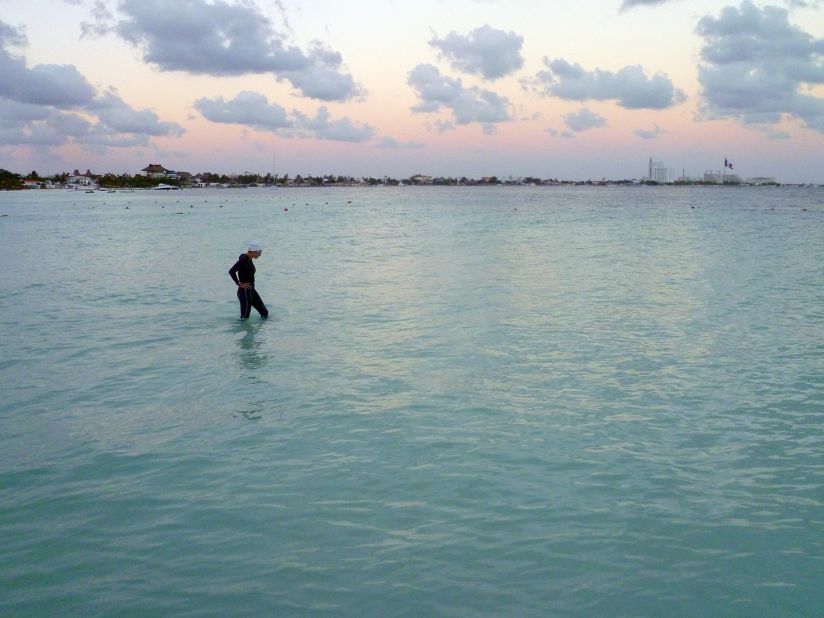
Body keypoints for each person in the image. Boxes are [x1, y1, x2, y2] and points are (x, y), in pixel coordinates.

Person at [229, 241, 269, 320]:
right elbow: (231, 271)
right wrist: (239, 283)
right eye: (259, 252)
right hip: (244, 292)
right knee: (244, 318)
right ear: (253, 251)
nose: (260, 254)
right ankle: (239, 331)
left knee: (264, 313)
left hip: (251, 290)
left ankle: (261, 331)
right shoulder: (244, 259)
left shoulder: (249, 258)